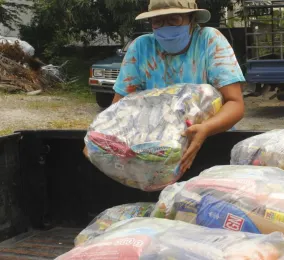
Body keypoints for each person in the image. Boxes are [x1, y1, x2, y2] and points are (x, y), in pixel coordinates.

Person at [83, 0, 246, 174]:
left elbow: (235, 103)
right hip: (155, 152)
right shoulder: (141, 48)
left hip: (211, 142)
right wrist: (100, 137)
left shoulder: (209, 41)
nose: (165, 27)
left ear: (192, 19)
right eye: (158, 21)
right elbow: (119, 106)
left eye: (174, 19)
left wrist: (206, 128)